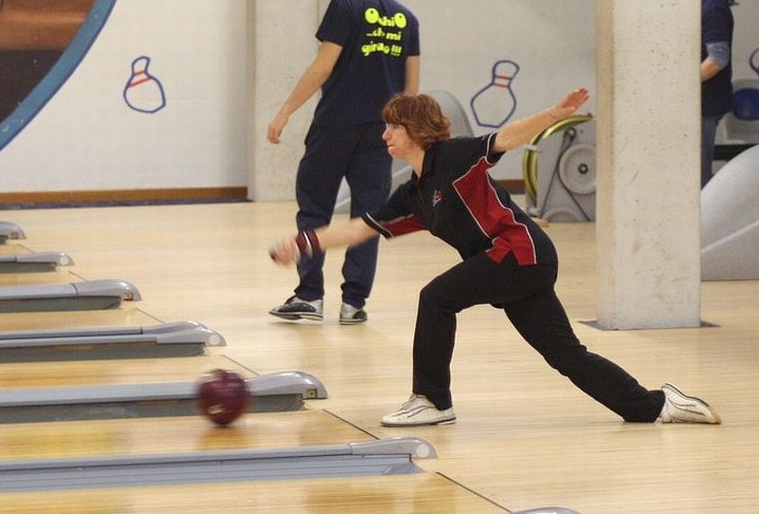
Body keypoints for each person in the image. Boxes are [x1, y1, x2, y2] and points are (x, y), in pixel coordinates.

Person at [269, 90, 721, 426]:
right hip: (512, 266)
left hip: (520, 254)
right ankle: (657, 405)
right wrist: (303, 243)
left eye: (393, 126)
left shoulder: (452, 157)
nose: (384, 134)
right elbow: (360, 227)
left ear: (416, 130)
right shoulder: (414, 193)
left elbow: (505, 138)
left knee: (437, 297)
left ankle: (432, 400)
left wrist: (553, 115)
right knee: (565, 353)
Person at [267, 0, 420, 325]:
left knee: (314, 206)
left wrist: (285, 111)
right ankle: (354, 303)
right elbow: (412, 88)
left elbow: (322, 67)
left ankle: (309, 296)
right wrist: (404, 136)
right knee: (369, 217)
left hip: (335, 124)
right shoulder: (407, 19)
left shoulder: (345, 6)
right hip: (381, 133)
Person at [700, 0, 736, 187]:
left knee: (698, 176)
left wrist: (679, 85)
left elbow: (717, 59)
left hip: (706, 102)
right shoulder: (704, 3)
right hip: (702, 101)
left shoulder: (713, 7)